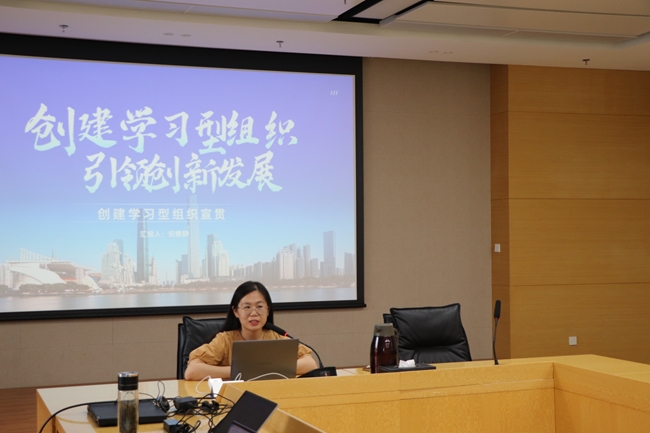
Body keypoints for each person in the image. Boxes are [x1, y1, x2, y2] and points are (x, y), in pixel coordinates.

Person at [184, 281, 318, 380]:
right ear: (236, 311)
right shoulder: (225, 340)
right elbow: (192, 371)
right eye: (247, 307)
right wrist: (241, 371)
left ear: (268, 310)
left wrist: (261, 370)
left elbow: (310, 364)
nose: (254, 313)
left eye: (259, 306)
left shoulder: (276, 338)